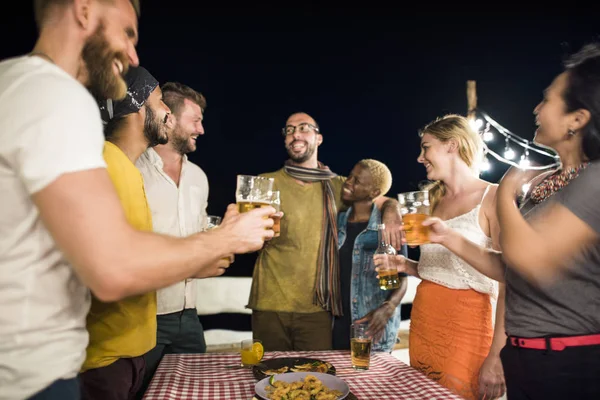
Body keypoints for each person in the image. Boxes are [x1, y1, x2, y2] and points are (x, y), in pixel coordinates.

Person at [0, 1, 273, 399]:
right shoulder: (56, 95)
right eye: (127, 32)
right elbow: (113, 267)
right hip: (32, 379)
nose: (132, 55)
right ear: (85, 9)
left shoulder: (13, 81)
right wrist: (228, 237)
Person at [493, 43, 600, 399]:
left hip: (570, 360)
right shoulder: (547, 183)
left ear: (577, 119)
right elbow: (512, 264)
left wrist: (503, 194)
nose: (536, 109)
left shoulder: (596, 180)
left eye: (547, 99)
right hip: (527, 355)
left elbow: (531, 258)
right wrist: (447, 238)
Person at [374, 114, 506, 400]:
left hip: (469, 324)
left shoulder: (493, 197)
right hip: (425, 317)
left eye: (426, 147)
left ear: (452, 145)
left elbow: (509, 280)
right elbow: (442, 269)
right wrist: (405, 265)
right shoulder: (428, 199)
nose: (421, 157)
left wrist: (497, 354)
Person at [247, 112, 402, 351]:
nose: (295, 134)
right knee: (267, 378)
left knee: (316, 380)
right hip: (269, 304)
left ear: (318, 138)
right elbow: (245, 236)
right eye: (288, 130)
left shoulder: (338, 186)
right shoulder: (265, 183)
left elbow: (376, 196)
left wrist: (393, 209)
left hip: (318, 310)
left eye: (303, 128)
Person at [136, 82, 211, 394]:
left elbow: (202, 234)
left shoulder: (199, 177)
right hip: (143, 316)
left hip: (188, 316)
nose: (202, 130)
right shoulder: (134, 168)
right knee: (137, 392)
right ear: (169, 117)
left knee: (195, 391)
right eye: (195, 120)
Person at [333, 159, 408, 353]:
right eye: (350, 176)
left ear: (374, 192)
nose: (348, 182)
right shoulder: (338, 221)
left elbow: (402, 278)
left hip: (372, 328)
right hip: (336, 328)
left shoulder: (389, 229)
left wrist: (388, 308)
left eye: (357, 181)